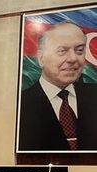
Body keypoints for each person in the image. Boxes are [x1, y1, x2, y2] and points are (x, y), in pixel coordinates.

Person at [19, 21, 97, 151]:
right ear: (41, 58)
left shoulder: (94, 95)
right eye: (62, 51)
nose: (73, 58)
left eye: (79, 50)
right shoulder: (19, 104)